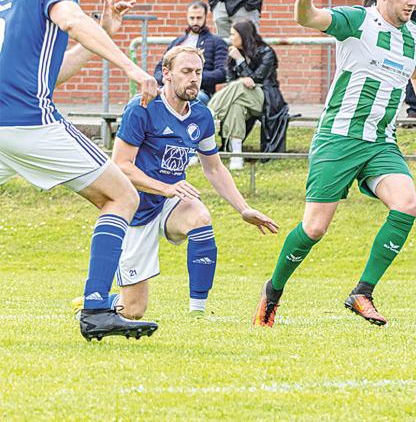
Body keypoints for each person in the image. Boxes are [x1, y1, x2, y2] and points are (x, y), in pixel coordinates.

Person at [253, 0, 416, 328]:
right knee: (314, 229)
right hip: (339, 138)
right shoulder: (359, 22)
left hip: (380, 142)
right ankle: (273, 292)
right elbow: (308, 20)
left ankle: (363, 292)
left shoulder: (415, 36)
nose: (412, 2)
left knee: (407, 205)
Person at [0, 0, 158, 340]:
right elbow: (71, 21)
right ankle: (96, 309)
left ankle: (99, 306)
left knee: (112, 196)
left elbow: (52, 71)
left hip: (2, 130)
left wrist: (106, 28)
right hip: (31, 124)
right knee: (122, 195)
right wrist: (134, 68)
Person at [73, 46, 279, 319]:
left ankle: (197, 314)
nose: (194, 78)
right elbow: (121, 166)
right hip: (133, 207)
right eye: (186, 71)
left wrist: (243, 209)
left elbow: (214, 168)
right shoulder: (142, 107)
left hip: (170, 202)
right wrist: (167, 188)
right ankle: (102, 304)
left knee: (200, 217)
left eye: (198, 72)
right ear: (166, 74)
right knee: (134, 310)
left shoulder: (201, 116)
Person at [207, 20, 286, 170]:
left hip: (266, 99)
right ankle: (237, 156)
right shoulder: (232, 54)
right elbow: (229, 81)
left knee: (239, 85)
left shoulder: (266, 52)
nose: (230, 38)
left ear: (243, 35)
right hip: (243, 98)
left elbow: (257, 80)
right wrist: (237, 64)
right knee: (236, 105)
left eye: (233, 34)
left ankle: (210, 113)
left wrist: (240, 60)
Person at [154, 1, 228, 104]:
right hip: (169, 89)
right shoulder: (177, 42)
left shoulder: (217, 42)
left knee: (195, 99)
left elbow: (222, 73)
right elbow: (159, 69)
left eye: (199, 18)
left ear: (205, 17)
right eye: (192, 18)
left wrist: (192, 77)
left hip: (200, 91)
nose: (195, 22)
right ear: (187, 17)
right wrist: (167, 79)